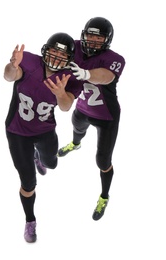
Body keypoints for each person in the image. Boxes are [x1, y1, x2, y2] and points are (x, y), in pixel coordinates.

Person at [3, 32, 83, 243]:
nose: (56, 56)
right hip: (17, 130)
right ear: (45, 50)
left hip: (45, 129)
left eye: (62, 53)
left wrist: (60, 93)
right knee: (28, 183)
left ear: (69, 59)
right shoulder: (29, 61)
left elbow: (65, 107)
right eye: (54, 50)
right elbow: (9, 75)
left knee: (52, 164)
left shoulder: (70, 77)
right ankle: (30, 220)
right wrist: (12, 65)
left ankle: (39, 156)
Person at [58, 17, 126, 221]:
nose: (94, 40)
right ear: (83, 34)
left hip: (106, 115)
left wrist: (86, 73)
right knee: (77, 128)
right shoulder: (73, 47)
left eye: (99, 37)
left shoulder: (115, 58)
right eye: (90, 35)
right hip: (82, 106)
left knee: (102, 161)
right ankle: (75, 145)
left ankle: (104, 196)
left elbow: (106, 76)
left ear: (107, 40)